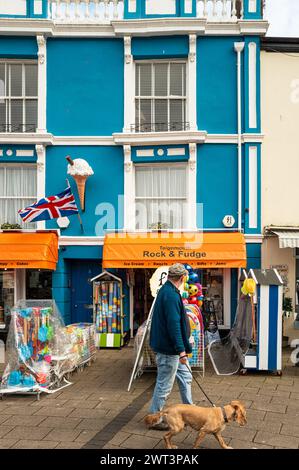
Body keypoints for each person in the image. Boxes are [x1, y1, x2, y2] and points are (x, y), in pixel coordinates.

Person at [148, 263, 193, 430]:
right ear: (182, 278)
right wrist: (181, 350)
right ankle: (155, 419)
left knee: (186, 378)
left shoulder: (167, 291)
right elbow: (173, 325)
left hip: (172, 350)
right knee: (164, 385)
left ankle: (190, 413)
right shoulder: (171, 295)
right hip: (170, 351)